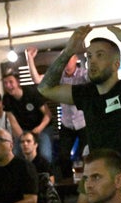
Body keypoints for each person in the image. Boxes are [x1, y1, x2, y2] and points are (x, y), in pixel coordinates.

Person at [38, 25, 121, 203]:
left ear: (116, 63)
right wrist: (69, 50)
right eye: (88, 57)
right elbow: (45, 88)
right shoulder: (87, 94)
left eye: (99, 55)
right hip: (101, 192)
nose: (91, 62)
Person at [26, 46, 88, 178]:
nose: (66, 63)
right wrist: (29, 59)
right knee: (63, 157)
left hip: (84, 123)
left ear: (75, 60)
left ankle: (87, 182)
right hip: (66, 123)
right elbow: (37, 80)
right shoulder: (58, 76)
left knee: (87, 155)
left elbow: (95, 80)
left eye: (69, 59)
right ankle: (67, 185)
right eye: (63, 60)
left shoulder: (83, 74)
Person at [1, 71, 53, 162]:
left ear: (18, 82)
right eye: (5, 83)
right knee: (16, 154)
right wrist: (23, 138)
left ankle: (48, 175)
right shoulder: (6, 99)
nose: (8, 85)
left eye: (10, 82)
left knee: (45, 155)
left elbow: (48, 115)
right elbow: (13, 122)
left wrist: (38, 129)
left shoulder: (32, 93)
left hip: (42, 128)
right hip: (24, 130)